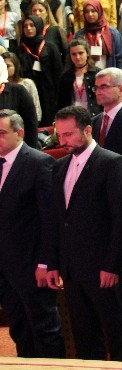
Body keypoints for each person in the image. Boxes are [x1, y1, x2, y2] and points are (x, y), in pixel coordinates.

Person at [48, 105, 122, 361]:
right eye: (60, 135)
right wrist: (54, 263)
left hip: (102, 268)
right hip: (72, 270)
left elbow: (121, 219)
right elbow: (57, 220)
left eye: (69, 135)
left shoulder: (112, 162)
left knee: (116, 332)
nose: (63, 141)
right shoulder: (60, 166)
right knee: (84, 335)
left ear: (87, 130)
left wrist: (113, 265)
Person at [0, 109, 64, 359]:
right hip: (4, 267)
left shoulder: (39, 162)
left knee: (45, 330)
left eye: (2, 133)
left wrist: (45, 262)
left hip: (32, 265)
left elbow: (49, 219)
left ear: (20, 133)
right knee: (19, 328)